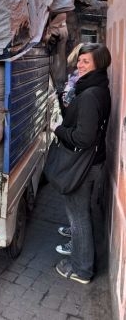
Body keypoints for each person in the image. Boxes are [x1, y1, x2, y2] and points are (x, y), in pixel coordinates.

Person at [50, 43, 111, 284]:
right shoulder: (98, 87)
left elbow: (83, 138)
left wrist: (58, 129)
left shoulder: (89, 95)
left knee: (79, 217)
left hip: (83, 166)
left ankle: (81, 269)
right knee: (80, 213)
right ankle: (79, 252)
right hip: (93, 162)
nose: (80, 65)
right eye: (80, 60)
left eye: (86, 61)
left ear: (99, 63)